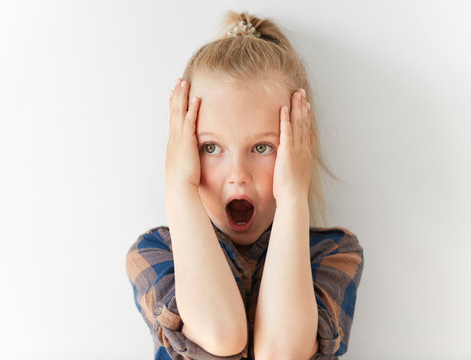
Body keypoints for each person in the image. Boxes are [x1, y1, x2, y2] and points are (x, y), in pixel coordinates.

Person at [125, 11, 364, 360]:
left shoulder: (335, 253)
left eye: (262, 148)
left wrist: (293, 197)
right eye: (211, 148)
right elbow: (219, 335)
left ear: (299, 151)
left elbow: (282, 353)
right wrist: (179, 188)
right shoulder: (153, 254)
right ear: (184, 152)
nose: (238, 173)